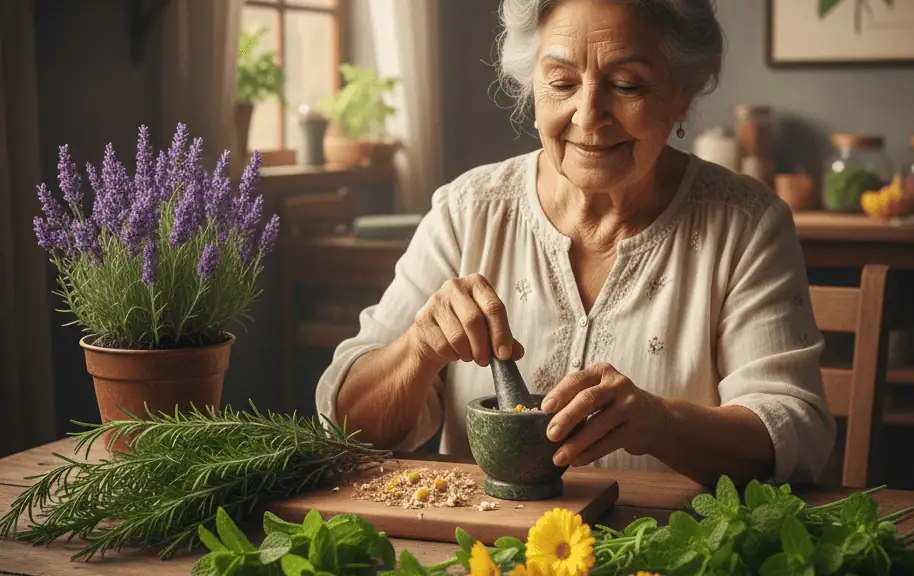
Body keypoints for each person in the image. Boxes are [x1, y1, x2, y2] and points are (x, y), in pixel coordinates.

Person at [315, 0, 836, 486]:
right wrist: (418, 349)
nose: (588, 115)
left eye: (628, 85)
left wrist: (662, 425)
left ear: (682, 92)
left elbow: (793, 433)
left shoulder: (745, 224)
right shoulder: (467, 210)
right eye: (562, 83)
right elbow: (348, 422)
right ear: (532, 88)